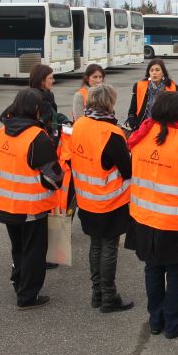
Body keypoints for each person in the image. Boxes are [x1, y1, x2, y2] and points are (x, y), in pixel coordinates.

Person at [131, 92, 178, 339]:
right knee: (176, 271)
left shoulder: (140, 138)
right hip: (176, 221)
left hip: (144, 218)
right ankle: (174, 323)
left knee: (152, 269)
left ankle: (156, 320)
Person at [0, 89, 63, 310]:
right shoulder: (36, 137)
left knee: (18, 248)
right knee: (34, 250)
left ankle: (18, 282)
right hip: (31, 206)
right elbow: (54, 176)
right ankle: (27, 295)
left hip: (5, 203)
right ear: (36, 110)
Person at [71, 84, 134, 313]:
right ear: (110, 103)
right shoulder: (111, 133)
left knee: (95, 244)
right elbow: (128, 169)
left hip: (85, 199)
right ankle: (109, 296)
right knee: (109, 246)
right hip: (109, 200)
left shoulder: (79, 125)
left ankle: (97, 292)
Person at [127, 58, 178, 131]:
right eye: (151, 70)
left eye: (157, 70)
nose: (154, 73)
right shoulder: (139, 86)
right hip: (143, 128)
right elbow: (132, 112)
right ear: (148, 73)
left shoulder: (173, 88)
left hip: (165, 129)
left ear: (163, 72)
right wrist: (135, 126)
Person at [29, 64, 70, 141]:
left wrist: (65, 121)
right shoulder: (33, 99)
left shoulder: (48, 95)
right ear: (41, 80)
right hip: (41, 141)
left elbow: (53, 116)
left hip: (51, 138)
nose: (53, 81)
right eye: (50, 78)